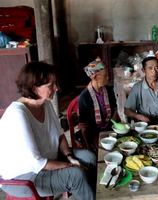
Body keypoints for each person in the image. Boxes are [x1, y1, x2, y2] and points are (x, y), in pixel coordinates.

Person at [0, 62, 95, 199]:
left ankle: (91, 194)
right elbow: (37, 163)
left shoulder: (46, 105)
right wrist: (69, 165)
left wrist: (69, 156)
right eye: (51, 85)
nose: (56, 88)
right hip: (23, 176)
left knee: (89, 158)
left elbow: (60, 134)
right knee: (76, 175)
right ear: (34, 88)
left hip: (47, 159)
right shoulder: (18, 114)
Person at [79, 57, 119, 153]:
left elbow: (114, 111)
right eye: (105, 76)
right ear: (96, 77)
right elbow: (84, 127)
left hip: (109, 128)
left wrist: (114, 127)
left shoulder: (109, 90)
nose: (108, 78)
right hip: (93, 133)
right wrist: (89, 148)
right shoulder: (84, 97)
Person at [124, 56, 158, 124]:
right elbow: (127, 110)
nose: (154, 71)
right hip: (146, 121)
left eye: (156, 68)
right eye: (150, 68)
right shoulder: (137, 88)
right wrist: (138, 116)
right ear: (144, 70)